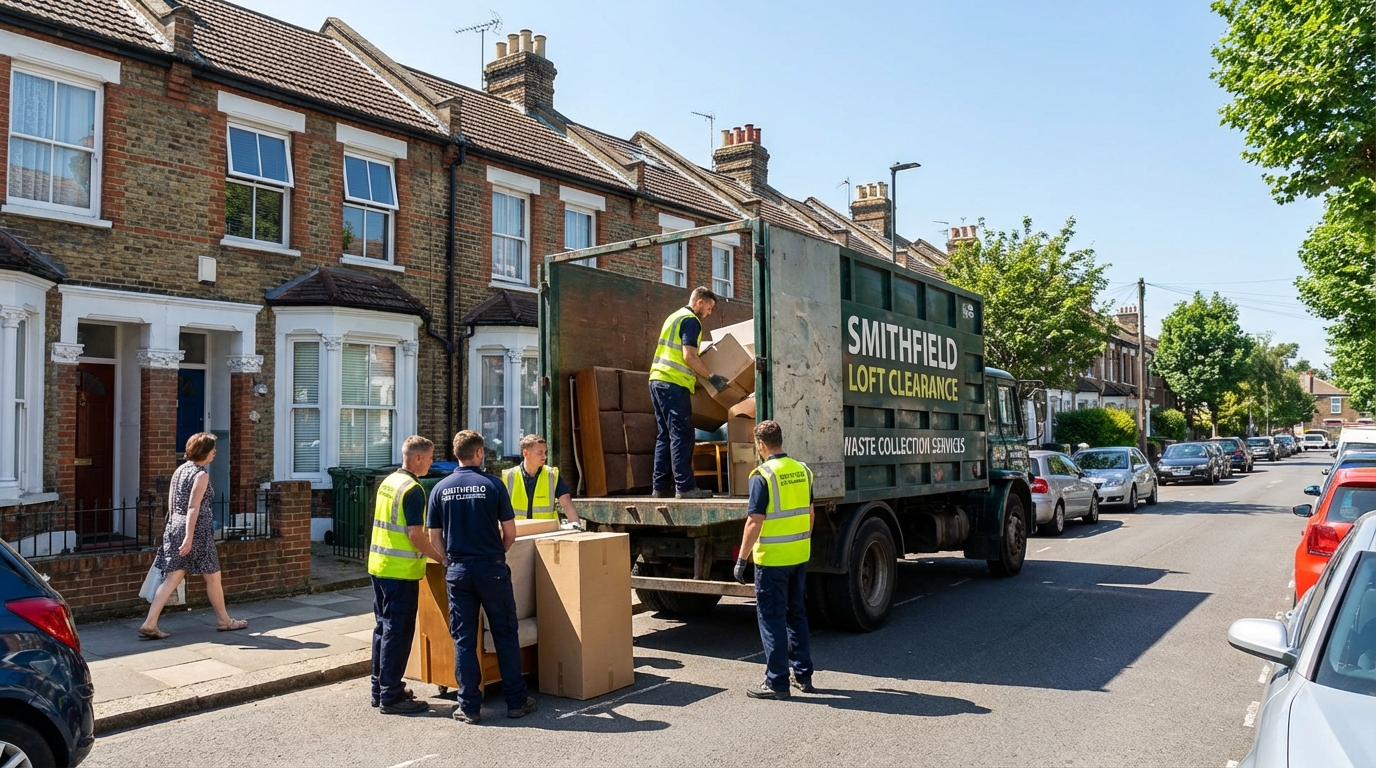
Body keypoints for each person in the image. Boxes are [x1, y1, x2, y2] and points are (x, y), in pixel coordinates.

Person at [427, 430, 537, 724]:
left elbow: (434, 537)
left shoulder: (440, 489)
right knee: (505, 633)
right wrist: (496, 552)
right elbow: (510, 532)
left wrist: (447, 560)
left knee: (463, 639)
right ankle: (516, 702)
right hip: (491, 569)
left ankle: (469, 706)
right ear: (479, 453)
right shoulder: (493, 485)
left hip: (458, 571)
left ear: (456, 454)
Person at [733, 420, 815, 699]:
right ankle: (803, 675)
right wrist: (801, 542)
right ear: (780, 440)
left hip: (772, 561)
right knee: (797, 615)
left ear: (761, 445)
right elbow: (810, 513)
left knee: (772, 620)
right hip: (799, 556)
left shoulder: (762, 475)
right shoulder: (803, 470)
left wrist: (741, 559)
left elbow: (754, 521)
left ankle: (777, 682)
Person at [138, 432, 247, 640]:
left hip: (175, 526)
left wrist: (173, 529)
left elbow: (171, 503)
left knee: (173, 577)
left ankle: (150, 623)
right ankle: (224, 621)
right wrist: (188, 537)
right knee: (212, 576)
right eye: (212, 449)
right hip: (197, 531)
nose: (215, 452)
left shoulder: (180, 470)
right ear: (204, 451)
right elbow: (193, 507)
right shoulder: (201, 475)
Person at [367, 435, 448, 714]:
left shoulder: (388, 482)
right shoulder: (413, 489)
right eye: (430, 457)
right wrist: (440, 557)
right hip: (400, 573)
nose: (431, 463)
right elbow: (415, 535)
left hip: (379, 567)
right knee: (398, 633)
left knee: (382, 629)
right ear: (418, 457)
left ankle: (379, 688)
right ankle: (391, 695)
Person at [649, 286, 726, 500]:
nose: (709, 312)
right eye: (709, 307)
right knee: (682, 434)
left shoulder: (674, 317)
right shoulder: (691, 320)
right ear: (699, 302)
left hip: (657, 380)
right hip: (673, 383)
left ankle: (660, 487)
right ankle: (684, 487)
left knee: (665, 435)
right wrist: (712, 377)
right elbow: (689, 356)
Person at [501, 434, 581, 528]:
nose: (544, 456)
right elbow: (499, 507)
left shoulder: (551, 475)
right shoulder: (509, 476)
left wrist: (576, 525)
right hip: (518, 532)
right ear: (526, 453)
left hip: (546, 532)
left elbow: (566, 501)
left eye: (545, 452)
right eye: (540, 453)